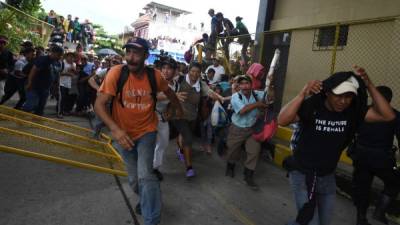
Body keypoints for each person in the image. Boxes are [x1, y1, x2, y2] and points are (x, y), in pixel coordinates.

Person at [278, 66, 395, 225]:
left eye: (349, 97)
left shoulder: (352, 112)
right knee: (312, 221)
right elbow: (282, 120)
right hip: (303, 174)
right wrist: (302, 93)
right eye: (339, 96)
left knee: (322, 222)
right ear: (327, 92)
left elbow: (388, 115)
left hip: (327, 176)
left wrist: (369, 85)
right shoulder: (313, 106)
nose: (343, 101)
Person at [94, 37, 183, 225]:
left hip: (147, 131)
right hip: (123, 135)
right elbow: (99, 105)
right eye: (128, 52)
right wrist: (116, 130)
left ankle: (152, 219)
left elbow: (170, 93)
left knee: (145, 175)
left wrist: (175, 109)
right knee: (134, 180)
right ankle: (146, 200)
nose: (131, 58)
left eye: (136, 53)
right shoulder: (116, 73)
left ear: (146, 56)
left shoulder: (155, 76)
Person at [349, 85, 400, 225]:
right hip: (381, 159)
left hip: (361, 157)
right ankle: (379, 211)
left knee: (362, 187)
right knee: (395, 183)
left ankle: (361, 218)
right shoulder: (394, 115)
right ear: (388, 101)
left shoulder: (362, 112)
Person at [172, 62, 225, 178]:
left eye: (197, 72)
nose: (194, 74)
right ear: (188, 71)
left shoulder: (201, 84)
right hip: (178, 115)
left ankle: (181, 150)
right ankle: (189, 167)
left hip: (192, 117)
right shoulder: (179, 79)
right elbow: (168, 87)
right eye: (192, 71)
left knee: (184, 135)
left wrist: (220, 98)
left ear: (200, 73)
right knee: (188, 139)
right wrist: (174, 95)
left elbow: (210, 93)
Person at [225, 75, 268, 189]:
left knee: (254, 152)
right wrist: (258, 104)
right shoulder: (235, 97)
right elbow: (242, 111)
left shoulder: (257, 94)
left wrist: (270, 84)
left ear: (251, 84)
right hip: (237, 128)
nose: (244, 86)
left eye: (247, 83)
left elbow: (269, 96)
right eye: (242, 84)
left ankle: (248, 176)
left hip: (252, 128)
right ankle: (230, 166)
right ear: (239, 86)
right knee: (233, 151)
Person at [153, 57, 180, 180]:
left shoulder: (176, 85)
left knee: (163, 143)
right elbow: (154, 97)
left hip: (163, 117)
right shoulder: (157, 81)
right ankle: (146, 168)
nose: (166, 71)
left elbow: (172, 103)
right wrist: (173, 96)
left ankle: (155, 167)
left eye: (169, 68)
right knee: (147, 143)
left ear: (175, 71)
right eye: (163, 68)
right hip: (149, 115)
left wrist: (170, 111)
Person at [23, 45, 64, 115]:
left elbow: (57, 75)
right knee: (31, 105)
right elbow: (33, 70)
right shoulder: (43, 59)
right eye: (59, 54)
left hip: (46, 88)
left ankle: (35, 122)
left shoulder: (59, 63)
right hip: (34, 87)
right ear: (53, 53)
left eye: (61, 55)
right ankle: (21, 117)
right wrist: (29, 83)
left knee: (40, 109)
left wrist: (56, 87)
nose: (60, 56)